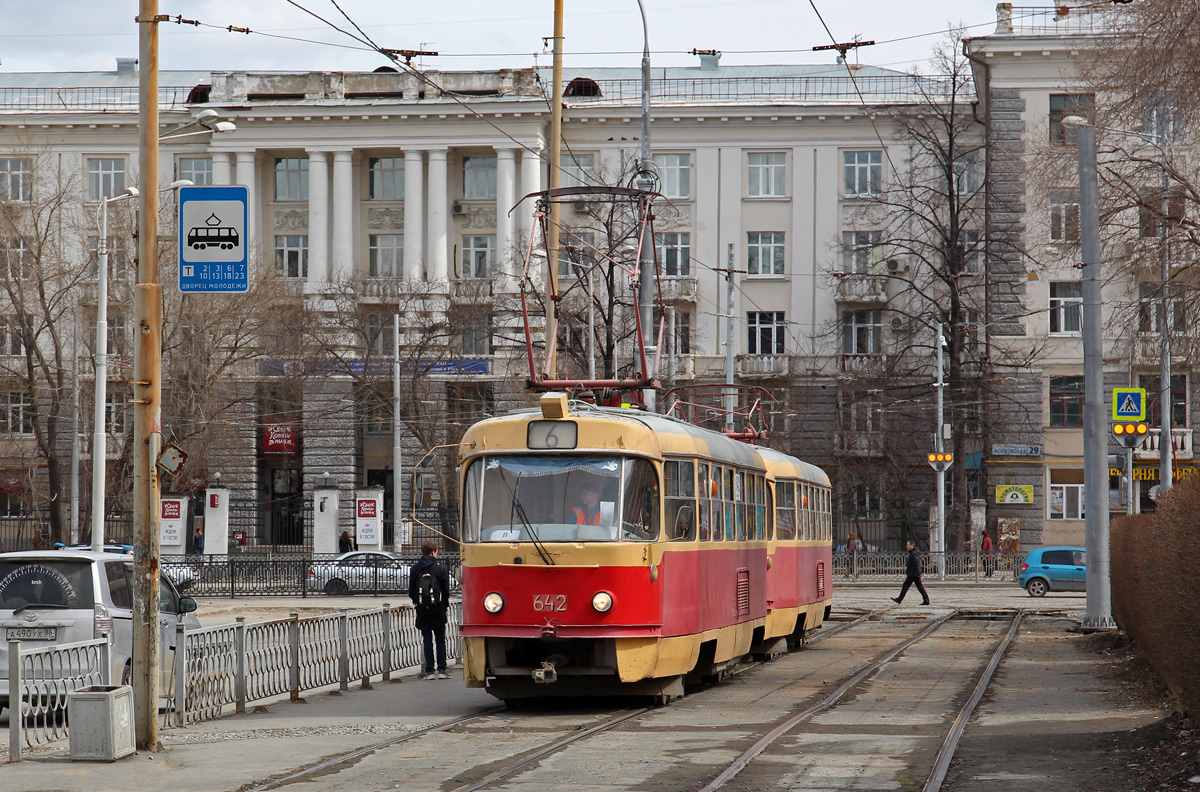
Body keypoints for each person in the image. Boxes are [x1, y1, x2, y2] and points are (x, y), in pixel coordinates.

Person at [408, 539, 451, 680]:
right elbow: (446, 590)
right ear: (433, 552)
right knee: (440, 639)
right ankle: (442, 670)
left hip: (422, 610)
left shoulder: (415, 569)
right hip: (438, 609)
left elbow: (411, 591)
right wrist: (444, 604)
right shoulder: (440, 568)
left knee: (426, 638)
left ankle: (429, 671)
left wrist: (418, 603)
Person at [892, 539, 930, 606]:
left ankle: (899, 599)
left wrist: (919, 573)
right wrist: (908, 571)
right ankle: (926, 600)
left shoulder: (913, 553)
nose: (906, 546)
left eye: (908, 545)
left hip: (913, 573)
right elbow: (912, 564)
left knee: (906, 585)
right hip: (914, 573)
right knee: (920, 587)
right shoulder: (913, 552)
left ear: (912, 545)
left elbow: (917, 563)